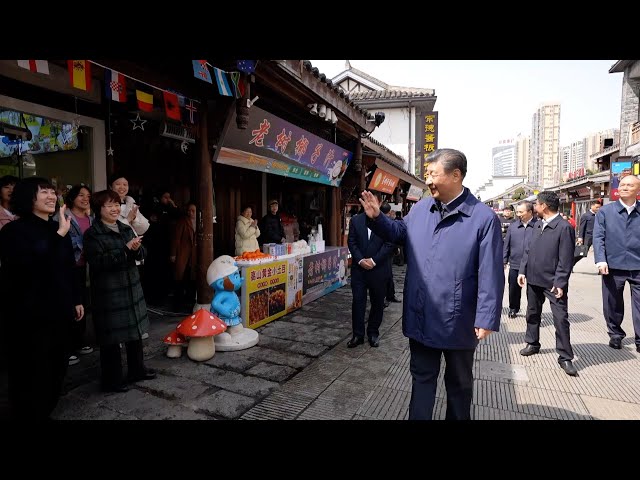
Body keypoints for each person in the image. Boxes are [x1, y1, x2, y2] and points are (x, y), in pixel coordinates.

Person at [360, 148, 504, 420]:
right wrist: (378, 218)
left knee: (459, 385)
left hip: (459, 320)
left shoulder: (483, 218)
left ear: (456, 175)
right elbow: (400, 233)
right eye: (427, 174)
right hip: (421, 313)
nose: (428, 181)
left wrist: (486, 317)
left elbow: (491, 273)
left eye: (433, 174)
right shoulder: (422, 208)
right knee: (421, 378)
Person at [0, 177, 84, 419]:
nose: (51, 196)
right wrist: (58, 235)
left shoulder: (57, 227)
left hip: (59, 311)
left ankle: (45, 408)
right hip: (29, 315)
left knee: (57, 366)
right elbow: (25, 265)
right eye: (44, 192)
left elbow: (69, 267)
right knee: (32, 370)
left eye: (52, 192)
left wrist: (77, 298)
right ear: (28, 197)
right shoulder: (13, 230)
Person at [84, 189, 155, 393]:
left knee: (135, 334)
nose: (115, 209)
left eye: (116, 204)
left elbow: (141, 253)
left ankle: (137, 370)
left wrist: (136, 249)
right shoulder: (93, 234)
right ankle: (112, 380)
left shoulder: (124, 227)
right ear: (99, 209)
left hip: (131, 287)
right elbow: (98, 263)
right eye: (109, 205)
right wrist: (125, 250)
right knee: (111, 340)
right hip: (109, 292)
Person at [517, 191, 577, 376]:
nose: (535, 207)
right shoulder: (537, 225)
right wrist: (522, 270)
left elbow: (566, 259)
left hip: (553, 283)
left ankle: (565, 357)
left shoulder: (564, 227)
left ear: (544, 206)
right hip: (533, 279)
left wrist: (560, 282)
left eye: (536, 204)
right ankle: (532, 343)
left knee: (560, 319)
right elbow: (528, 250)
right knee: (532, 313)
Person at [593, 175, 640, 353]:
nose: (625, 188)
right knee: (612, 302)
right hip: (612, 265)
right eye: (622, 185)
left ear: (637, 189)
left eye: (630, 185)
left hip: (638, 265)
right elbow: (598, 237)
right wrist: (600, 260)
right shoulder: (606, 212)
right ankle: (615, 334)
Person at [347, 194, 395, 348]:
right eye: (366, 199)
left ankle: (373, 333)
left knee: (377, 303)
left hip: (379, 269)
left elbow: (389, 244)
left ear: (378, 202)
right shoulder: (356, 220)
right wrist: (360, 260)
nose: (369, 202)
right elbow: (352, 242)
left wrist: (374, 260)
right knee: (358, 302)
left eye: (373, 199)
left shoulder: (386, 222)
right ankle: (357, 335)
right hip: (359, 270)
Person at [54, 185, 95, 366]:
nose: (85, 198)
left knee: (83, 304)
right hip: (70, 267)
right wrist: (84, 243)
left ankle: (79, 342)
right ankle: (66, 347)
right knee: (69, 305)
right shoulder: (62, 217)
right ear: (71, 198)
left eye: (88, 196)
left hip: (87, 267)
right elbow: (60, 242)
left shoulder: (91, 217)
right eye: (81, 195)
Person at [503, 201, 537, 318]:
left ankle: (532, 311)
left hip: (533, 263)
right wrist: (504, 260)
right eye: (517, 212)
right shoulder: (513, 226)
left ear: (530, 212)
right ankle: (513, 308)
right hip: (515, 262)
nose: (518, 214)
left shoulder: (538, 225)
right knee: (513, 288)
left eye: (521, 212)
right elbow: (506, 244)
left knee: (532, 291)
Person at [171, 202, 197, 311]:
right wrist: (173, 254)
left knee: (193, 280)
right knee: (180, 279)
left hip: (194, 256)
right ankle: (178, 306)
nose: (190, 213)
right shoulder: (183, 221)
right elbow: (176, 238)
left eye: (193, 211)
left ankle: (190, 304)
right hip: (183, 253)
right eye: (189, 210)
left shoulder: (200, 222)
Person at [380, 202, 401, 307]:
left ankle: (388, 295)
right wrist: (396, 248)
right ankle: (385, 297)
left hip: (380, 252)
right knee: (386, 276)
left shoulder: (377, 219)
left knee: (387, 275)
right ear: (388, 212)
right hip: (387, 252)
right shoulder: (389, 221)